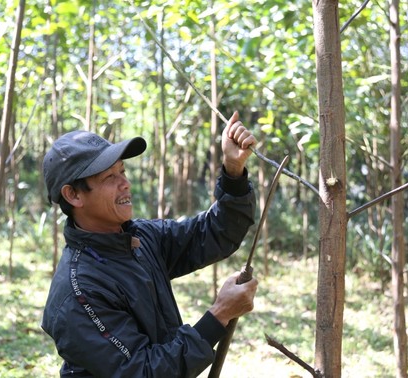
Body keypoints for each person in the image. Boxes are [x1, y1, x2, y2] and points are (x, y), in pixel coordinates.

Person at [41, 111, 259, 377]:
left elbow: (213, 232)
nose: (125, 184)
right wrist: (219, 316)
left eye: (122, 171)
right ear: (73, 194)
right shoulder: (78, 292)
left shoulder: (139, 238)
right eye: (110, 178)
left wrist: (233, 173)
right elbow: (142, 371)